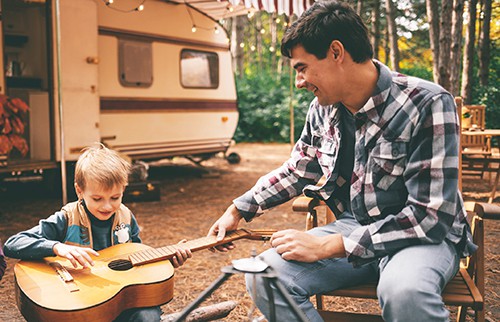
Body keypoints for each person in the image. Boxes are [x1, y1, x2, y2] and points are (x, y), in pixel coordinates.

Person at [207, 1, 477, 321]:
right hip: (355, 226)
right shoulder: (322, 108)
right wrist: (238, 209)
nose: (299, 81)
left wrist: (331, 246)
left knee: (405, 293)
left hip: (419, 238)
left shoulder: (428, 103)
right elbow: (299, 169)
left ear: (336, 52)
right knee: (265, 276)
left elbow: (429, 217)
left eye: (302, 68)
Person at [3, 144, 192, 322]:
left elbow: (138, 265)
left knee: (148, 316)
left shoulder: (126, 218)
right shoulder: (67, 218)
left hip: (120, 302)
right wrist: (57, 247)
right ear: (79, 191)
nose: (107, 205)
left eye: (115, 197)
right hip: (79, 304)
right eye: (97, 198)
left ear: (123, 189)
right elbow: (13, 243)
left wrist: (168, 261)